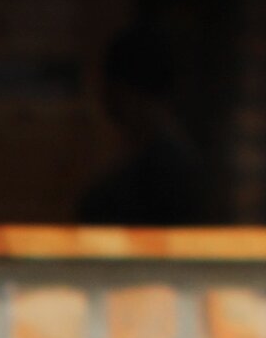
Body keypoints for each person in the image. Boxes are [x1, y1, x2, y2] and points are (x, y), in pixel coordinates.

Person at [77, 21, 206, 229]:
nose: (102, 97)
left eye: (108, 87)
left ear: (123, 91)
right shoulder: (168, 162)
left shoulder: (167, 172)